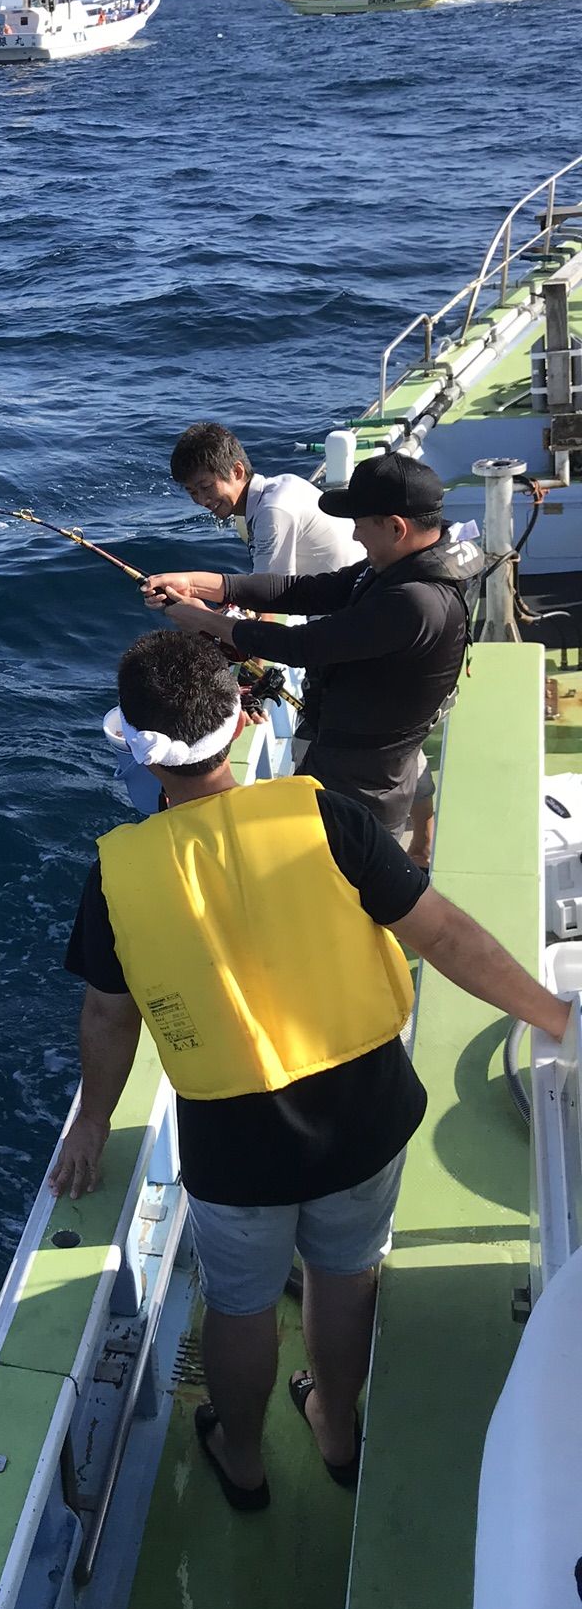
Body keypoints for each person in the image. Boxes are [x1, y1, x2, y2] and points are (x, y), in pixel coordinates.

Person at [50, 631, 568, 1512]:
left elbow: (108, 1016)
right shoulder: (326, 817)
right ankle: (333, 1425)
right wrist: (557, 1018)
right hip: (365, 1116)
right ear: (239, 720)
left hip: (235, 1148)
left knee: (242, 1307)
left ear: (137, 750)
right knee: (345, 1276)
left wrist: (94, 1122)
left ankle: (243, 1457)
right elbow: (444, 935)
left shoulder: (117, 876)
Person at [144, 451, 464, 850]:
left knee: (349, 870)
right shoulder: (399, 564)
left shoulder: (415, 602)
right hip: (349, 744)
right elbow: (304, 590)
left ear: (396, 527)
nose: (354, 537)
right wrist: (200, 583)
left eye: (360, 525)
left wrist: (207, 621)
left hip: (367, 778)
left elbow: (302, 645)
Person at [168, 421, 363, 576]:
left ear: (237, 471)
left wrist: (194, 598)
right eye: (192, 492)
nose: (202, 501)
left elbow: (271, 599)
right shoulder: (281, 486)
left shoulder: (273, 511)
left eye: (206, 487)